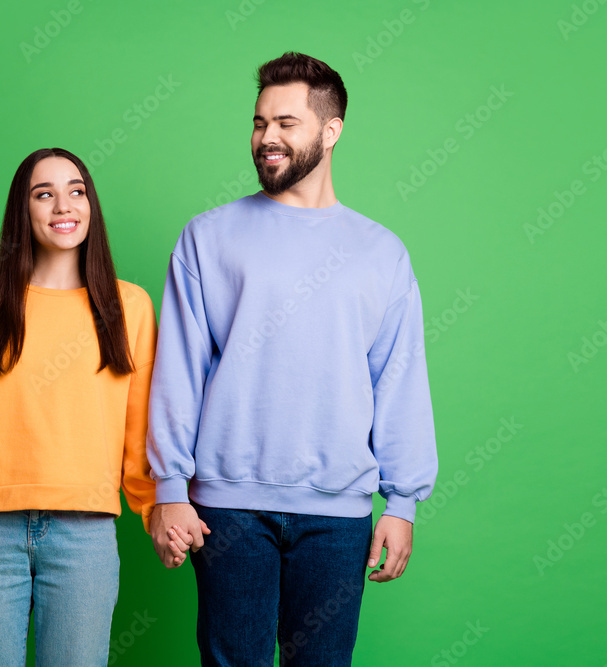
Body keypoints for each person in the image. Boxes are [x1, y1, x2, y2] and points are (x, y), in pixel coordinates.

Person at [146, 52, 439, 665]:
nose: (266, 138)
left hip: (339, 512)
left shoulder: (382, 252)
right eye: (259, 123)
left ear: (330, 132)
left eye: (286, 123)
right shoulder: (208, 237)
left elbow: (399, 378)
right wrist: (169, 487)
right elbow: (180, 368)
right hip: (226, 506)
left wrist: (402, 501)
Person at [0, 147, 163, 666]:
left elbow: (140, 429)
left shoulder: (129, 307)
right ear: (22, 212)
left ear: (90, 206)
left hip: (85, 535)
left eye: (76, 191)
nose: (62, 206)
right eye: (43, 194)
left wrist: (156, 507)